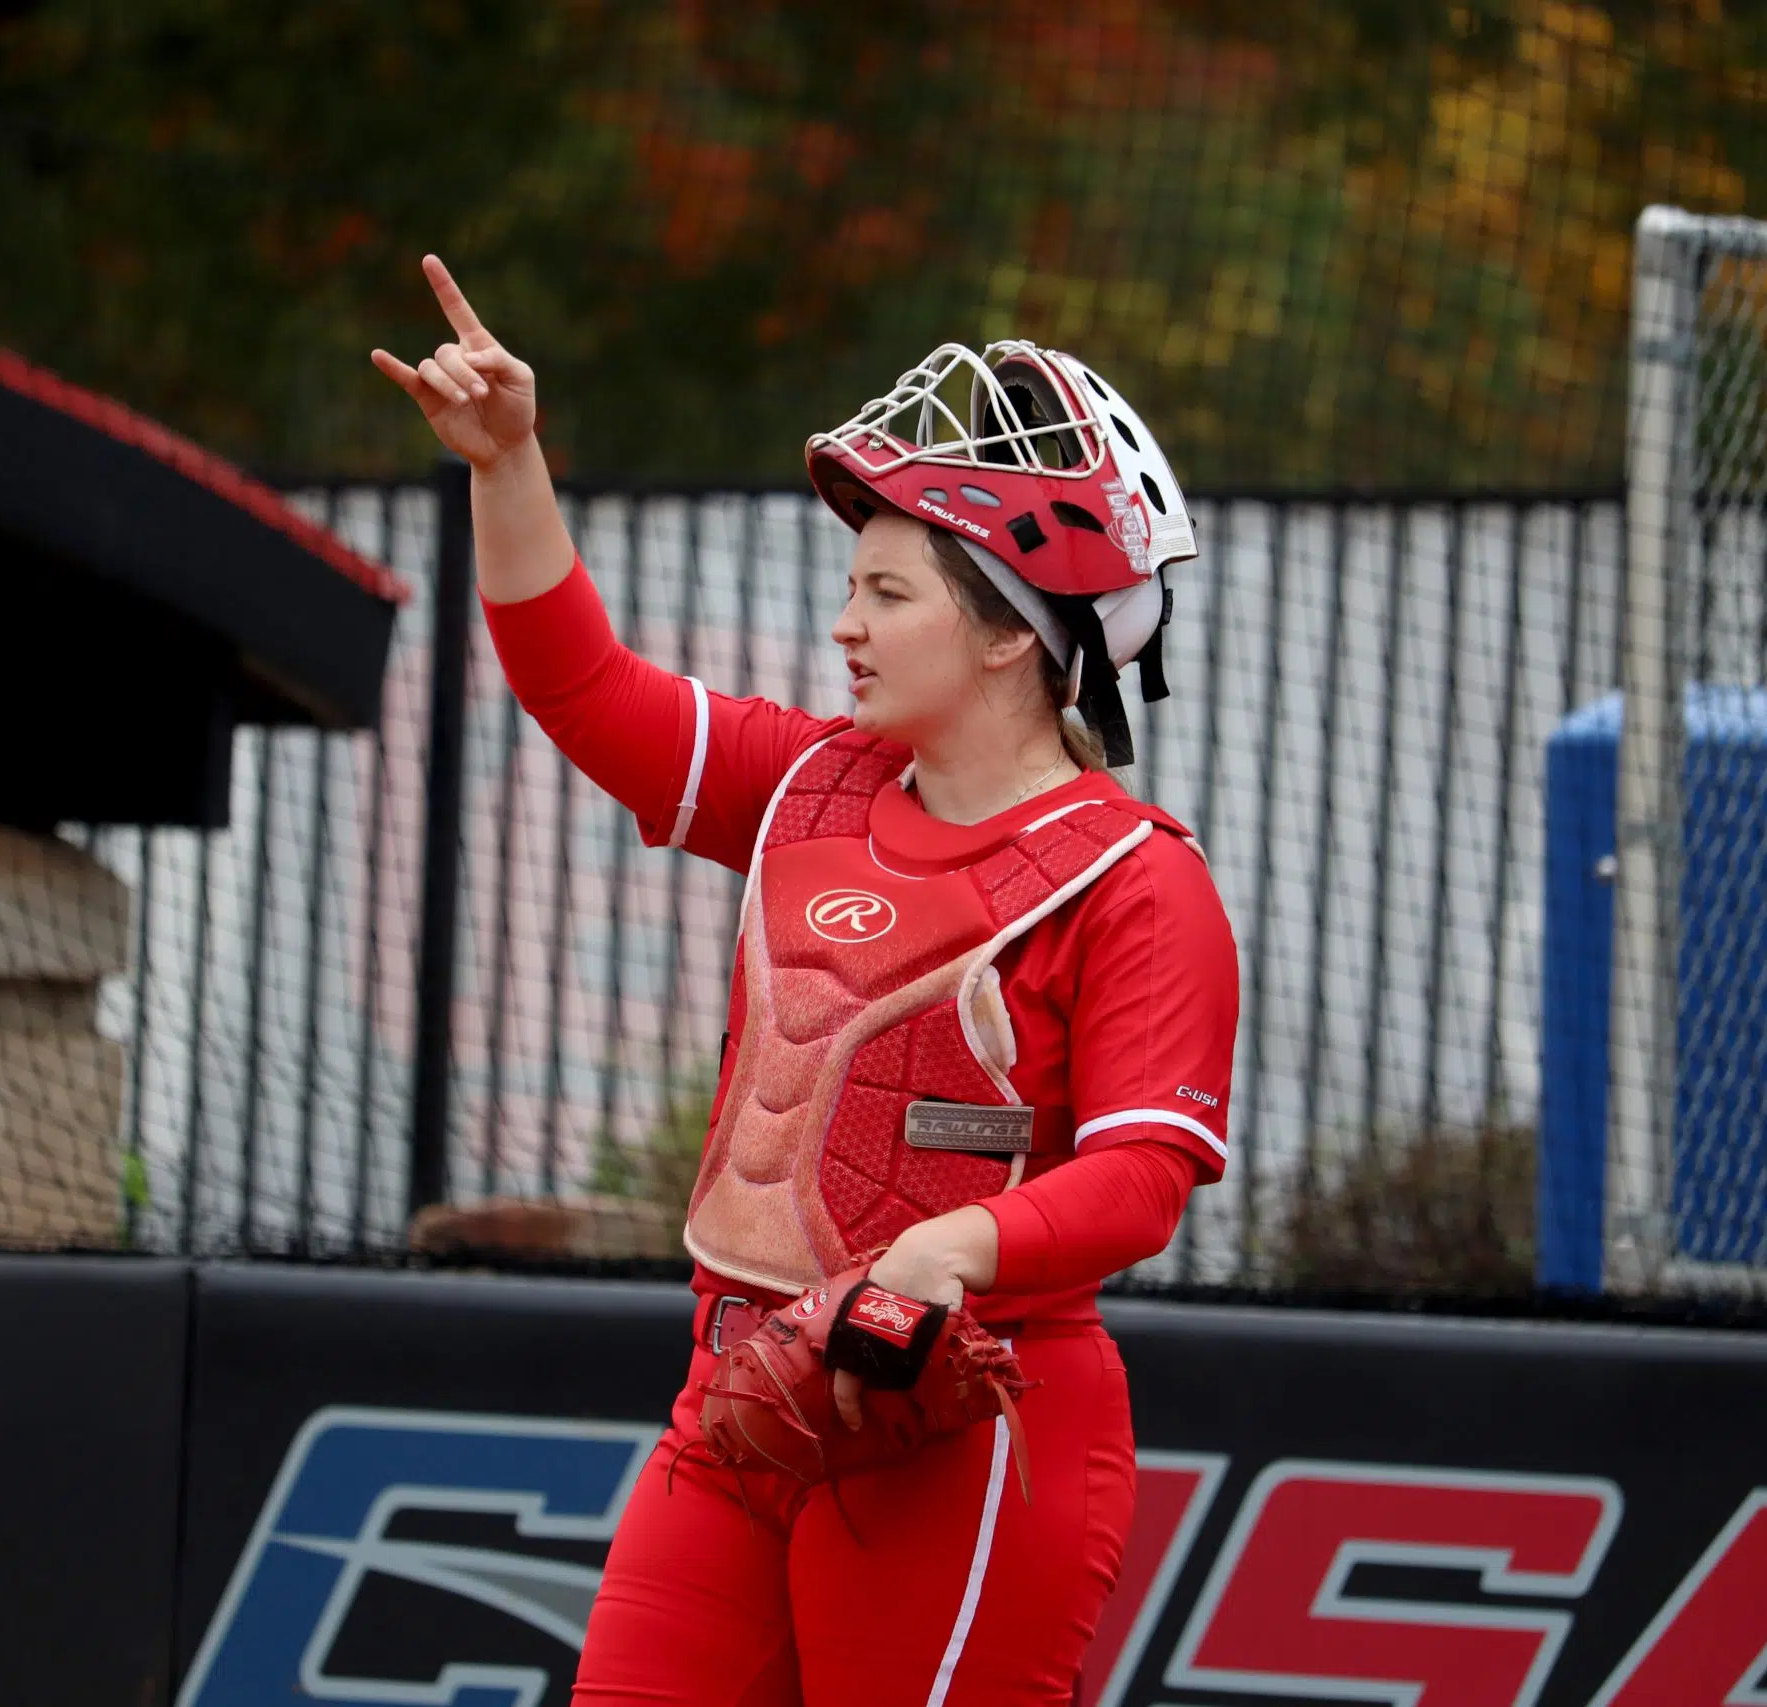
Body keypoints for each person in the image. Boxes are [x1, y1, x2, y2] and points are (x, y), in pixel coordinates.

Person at [374, 255, 1239, 1707]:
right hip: (739, 1398)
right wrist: (509, 460)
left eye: (887, 590)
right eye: (852, 584)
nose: (846, 622)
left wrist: (947, 1253)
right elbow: (580, 685)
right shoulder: (811, 786)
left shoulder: (1136, 874)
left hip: (967, 1431)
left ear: (1014, 628)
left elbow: (1146, 1176)